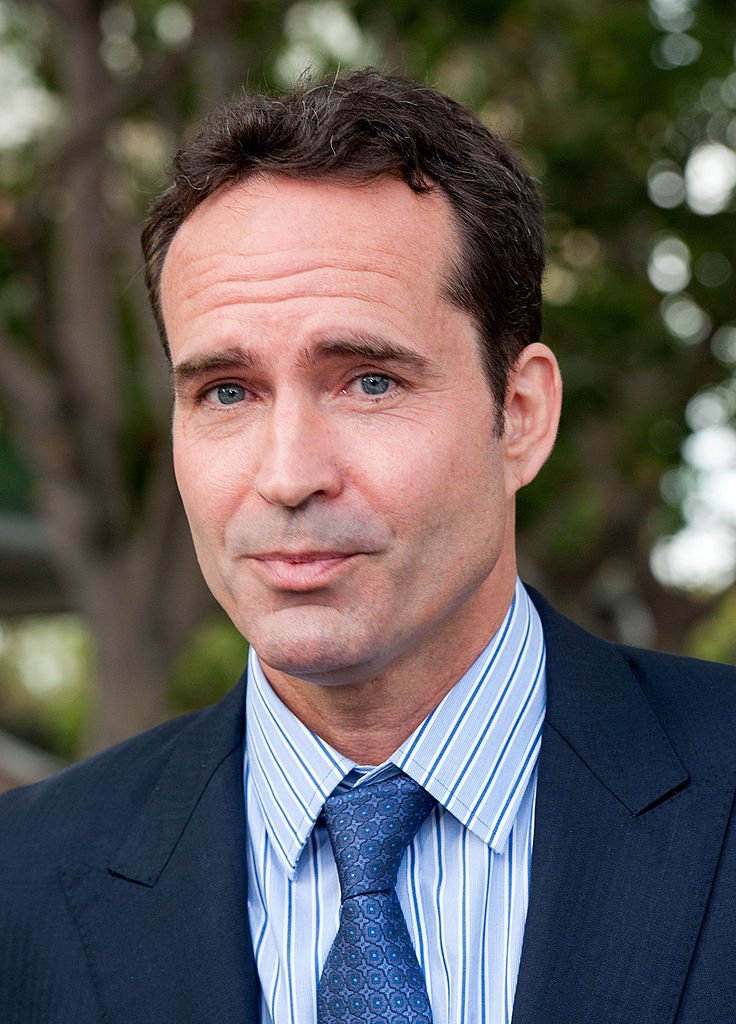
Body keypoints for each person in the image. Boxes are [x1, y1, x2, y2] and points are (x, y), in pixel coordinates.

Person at [1, 69, 734, 1024]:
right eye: (226, 391)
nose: (288, 473)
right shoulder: (23, 882)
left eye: (369, 382)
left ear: (519, 416)